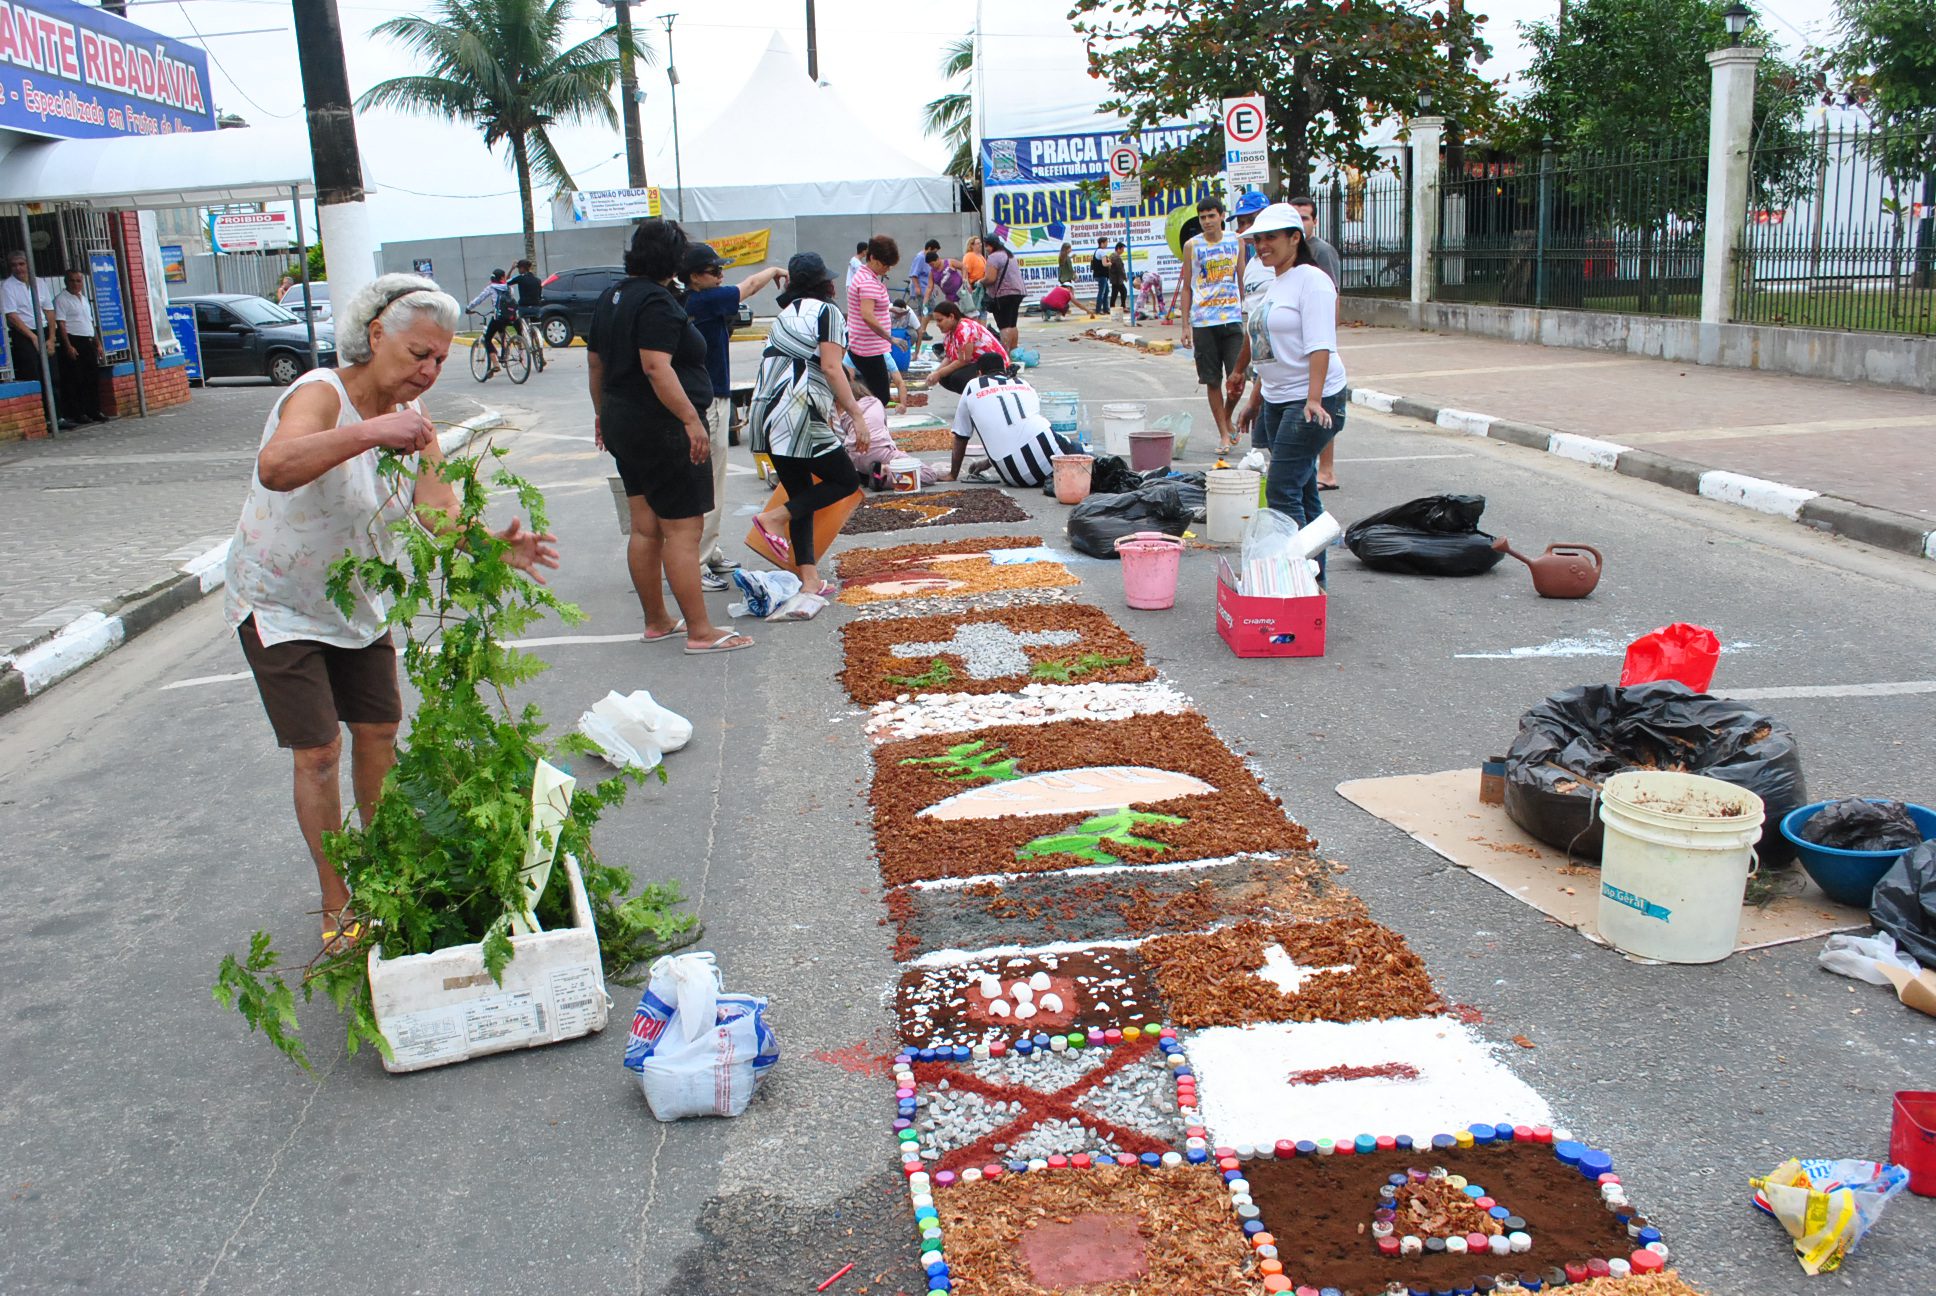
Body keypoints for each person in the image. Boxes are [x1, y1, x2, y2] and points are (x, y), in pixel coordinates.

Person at [224, 273, 558, 942]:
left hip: (356, 603)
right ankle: (336, 898)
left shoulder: (415, 425)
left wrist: (492, 547)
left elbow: (438, 512)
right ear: (376, 336)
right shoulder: (318, 394)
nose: (429, 371)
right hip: (280, 602)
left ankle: (384, 874)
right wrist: (375, 431)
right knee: (318, 750)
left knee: (378, 732)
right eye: (417, 355)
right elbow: (277, 465)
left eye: (440, 359)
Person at [588, 219, 752, 655]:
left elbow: (596, 366)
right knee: (683, 529)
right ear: (674, 259)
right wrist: (690, 420)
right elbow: (656, 367)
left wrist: (601, 415)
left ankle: (657, 620)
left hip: (624, 420)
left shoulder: (612, 296)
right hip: (660, 424)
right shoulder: (658, 302)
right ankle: (700, 631)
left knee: (645, 527)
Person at [1230, 204, 1348, 583]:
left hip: (1312, 400)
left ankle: (1294, 580)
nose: (1262, 246)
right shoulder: (1276, 282)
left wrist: (1313, 399)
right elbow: (1269, 348)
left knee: (1282, 492)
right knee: (1304, 491)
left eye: (1271, 238)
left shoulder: (1311, 281)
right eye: (1257, 239)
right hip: (1279, 399)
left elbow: (1320, 345)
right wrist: (1254, 400)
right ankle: (1314, 581)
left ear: (1294, 238)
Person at [747, 253, 871, 601]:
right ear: (825, 285)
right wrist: (856, 416)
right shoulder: (827, 312)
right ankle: (773, 520)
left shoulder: (786, 314)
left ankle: (809, 579)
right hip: (796, 412)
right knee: (844, 479)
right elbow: (832, 368)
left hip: (767, 413)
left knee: (801, 495)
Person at [679, 243, 786, 590]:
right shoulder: (703, 300)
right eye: (714, 272)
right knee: (708, 483)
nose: (721, 276)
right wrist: (773, 271)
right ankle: (696, 560)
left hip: (712, 396)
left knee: (715, 482)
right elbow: (750, 286)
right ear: (695, 277)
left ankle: (708, 550)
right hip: (708, 401)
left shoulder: (695, 302)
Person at [1176, 195, 1246, 452]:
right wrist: (1185, 325)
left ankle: (1227, 417)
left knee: (1238, 379)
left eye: (1211, 216)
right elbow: (1187, 287)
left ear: (1221, 216)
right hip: (1204, 321)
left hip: (1232, 319)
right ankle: (1224, 435)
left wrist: (1246, 311)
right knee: (1212, 380)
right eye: (1202, 217)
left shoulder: (1235, 241)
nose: (1207, 222)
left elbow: (1241, 278)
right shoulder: (1192, 246)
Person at [945, 353, 1070, 486]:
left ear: (979, 373)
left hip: (1016, 477)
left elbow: (961, 436)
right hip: (1056, 461)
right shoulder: (1023, 383)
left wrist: (953, 474)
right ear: (1004, 369)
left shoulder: (972, 386)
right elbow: (1022, 430)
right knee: (1066, 442)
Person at [1289, 195, 1344, 490]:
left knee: (1321, 402)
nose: (1300, 221)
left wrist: (1327, 336)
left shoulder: (1321, 252)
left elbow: (1332, 294)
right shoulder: (1293, 254)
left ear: (1315, 221)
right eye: (1295, 216)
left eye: (1305, 217)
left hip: (1319, 342)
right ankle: (1312, 470)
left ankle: (1327, 470)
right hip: (1300, 345)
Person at [4, 251, 68, 429]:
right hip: (25, 333)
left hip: (45, 330)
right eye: (15, 265)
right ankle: (43, 418)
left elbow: (49, 310)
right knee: (34, 375)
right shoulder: (8, 286)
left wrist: (51, 337)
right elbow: (12, 316)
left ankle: (58, 416)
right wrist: (32, 337)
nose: (18, 268)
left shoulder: (39, 283)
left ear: (28, 264)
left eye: (21, 264)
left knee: (53, 375)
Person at [845, 233, 899, 405]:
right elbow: (867, 315)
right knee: (880, 397)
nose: (887, 269)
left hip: (865, 345)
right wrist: (890, 337)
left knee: (873, 394)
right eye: (885, 264)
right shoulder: (867, 282)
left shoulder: (864, 275)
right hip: (869, 349)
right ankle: (873, 428)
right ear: (873, 258)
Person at [917, 300, 1009, 393]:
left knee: (957, 378)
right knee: (944, 377)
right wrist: (936, 373)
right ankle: (970, 397)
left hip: (993, 365)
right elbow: (949, 357)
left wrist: (939, 373)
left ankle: (977, 397)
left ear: (952, 317)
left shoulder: (964, 328)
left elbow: (964, 360)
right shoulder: (949, 333)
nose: (937, 324)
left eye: (940, 320)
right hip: (977, 363)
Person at [52, 269, 105, 424]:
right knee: (76, 380)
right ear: (66, 282)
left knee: (92, 378)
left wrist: (98, 343)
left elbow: (90, 322)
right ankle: (78, 412)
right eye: (72, 281)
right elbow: (61, 324)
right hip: (74, 341)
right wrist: (68, 345)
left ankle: (94, 410)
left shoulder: (83, 299)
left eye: (78, 281)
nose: (75, 284)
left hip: (87, 340)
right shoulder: (61, 299)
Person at [981, 235, 1028, 355]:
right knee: (1012, 324)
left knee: (1004, 326)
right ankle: (1014, 352)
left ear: (991, 245)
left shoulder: (994, 257)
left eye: (987, 246)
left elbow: (991, 278)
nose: (986, 249)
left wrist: (980, 281)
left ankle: (1005, 354)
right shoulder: (1009, 255)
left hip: (1003, 294)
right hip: (1018, 292)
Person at [464, 269, 514, 375]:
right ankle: (505, 352)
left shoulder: (491, 288)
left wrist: (469, 308)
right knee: (502, 334)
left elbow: (479, 299)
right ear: (502, 278)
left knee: (487, 339)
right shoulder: (509, 287)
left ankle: (496, 364)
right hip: (510, 316)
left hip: (498, 317)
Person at [509, 258, 546, 369]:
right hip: (536, 308)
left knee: (521, 329)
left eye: (518, 268)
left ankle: (523, 342)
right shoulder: (537, 280)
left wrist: (511, 268)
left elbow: (506, 282)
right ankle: (540, 353)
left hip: (524, 308)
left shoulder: (520, 279)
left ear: (522, 268)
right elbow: (539, 295)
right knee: (537, 330)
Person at [961, 235, 987, 319]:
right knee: (976, 310)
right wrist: (968, 287)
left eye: (980, 243)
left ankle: (982, 328)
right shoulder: (969, 256)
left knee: (982, 309)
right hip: (974, 286)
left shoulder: (980, 256)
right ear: (972, 245)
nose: (980, 245)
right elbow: (965, 273)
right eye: (978, 243)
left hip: (982, 285)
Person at [1089, 236, 1112, 315]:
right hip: (1101, 275)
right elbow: (1104, 264)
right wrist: (1111, 263)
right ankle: (1098, 310)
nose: (1107, 244)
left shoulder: (1097, 251)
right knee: (1102, 292)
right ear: (1102, 243)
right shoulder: (1102, 251)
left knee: (1106, 291)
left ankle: (1106, 309)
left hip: (1099, 275)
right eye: (1106, 242)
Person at [1108, 242, 1130, 318]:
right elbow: (1120, 269)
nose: (1123, 251)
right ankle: (1118, 306)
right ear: (1118, 249)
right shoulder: (1116, 257)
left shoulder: (1112, 255)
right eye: (1122, 249)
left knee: (1119, 292)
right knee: (1121, 291)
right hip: (1117, 278)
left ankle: (1117, 306)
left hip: (1115, 278)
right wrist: (1125, 277)